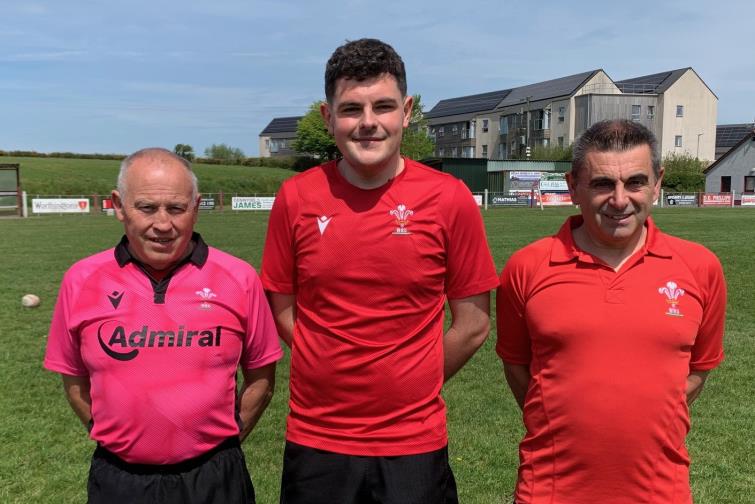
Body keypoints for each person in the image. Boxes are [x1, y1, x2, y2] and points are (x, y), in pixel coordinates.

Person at [261, 38, 499, 504]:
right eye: (351, 109)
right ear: (329, 118)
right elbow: (281, 307)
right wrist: (329, 361)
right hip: (317, 440)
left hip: (414, 442)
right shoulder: (296, 197)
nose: (368, 123)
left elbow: (473, 324)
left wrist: (411, 378)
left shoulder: (449, 198)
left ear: (406, 112)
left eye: (383, 106)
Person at [496, 120, 726, 503]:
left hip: (660, 493)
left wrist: (649, 412)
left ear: (657, 183)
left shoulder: (700, 267)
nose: (620, 200)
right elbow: (519, 370)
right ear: (574, 187)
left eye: (635, 182)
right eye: (603, 184)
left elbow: (699, 369)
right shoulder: (527, 267)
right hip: (549, 492)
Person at [44, 148, 283, 504]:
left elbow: (262, 380)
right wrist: (115, 437)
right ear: (119, 206)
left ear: (196, 207)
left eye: (176, 208)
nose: (163, 224)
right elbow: (73, 379)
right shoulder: (81, 280)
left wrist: (222, 444)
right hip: (120, 480)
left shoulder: (239, 278)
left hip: (216, 478)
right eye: (146, 208)